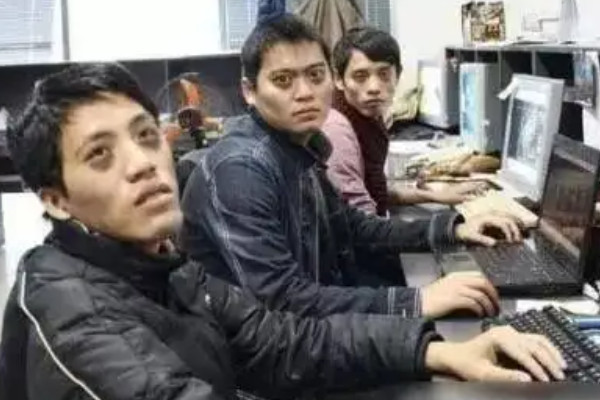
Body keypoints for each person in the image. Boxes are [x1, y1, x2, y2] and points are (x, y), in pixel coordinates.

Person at [0, 63, 565, 400]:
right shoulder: (78, 318)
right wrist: (418, 307)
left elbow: (280, 341)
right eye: (100, 154)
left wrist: (438, 352)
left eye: (146, 136)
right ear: (55, 199)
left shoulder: (156, 261)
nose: (142, 163)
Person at [179, 14, 522, 321]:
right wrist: (416, 301)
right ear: (249, 91)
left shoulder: (300, 147)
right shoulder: (242, 170)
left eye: (316, 75)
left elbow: (352, 226)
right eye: (283, 80)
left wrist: (451, 228)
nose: (305, 92)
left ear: (331, 79)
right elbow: (284, 302)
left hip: (315, 321)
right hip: (269, 356)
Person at [323, 27, 481, 217]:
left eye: (384, 74)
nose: (374, 87)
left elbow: (375, 193)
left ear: (397, 75)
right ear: (339, 80)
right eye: (360, 76)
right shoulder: (337, 130)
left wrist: (434, 195)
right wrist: (450, 229)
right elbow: (361, 222)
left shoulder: (367, 116)